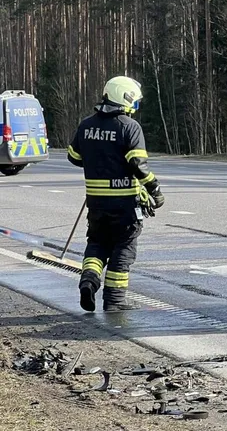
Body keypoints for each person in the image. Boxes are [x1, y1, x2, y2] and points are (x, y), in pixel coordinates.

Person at [66, 76, 166, 312]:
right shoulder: (129, 126)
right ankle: (114, 301)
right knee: (124, 248)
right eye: (135, 103)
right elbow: (138, 165)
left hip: (96, 204)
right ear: (126, 98)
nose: (135, 108)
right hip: (124, 204)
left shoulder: (86, 125)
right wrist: (155, 189)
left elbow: (74, 157)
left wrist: (98, 162)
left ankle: (88, 281)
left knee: (98, 243)